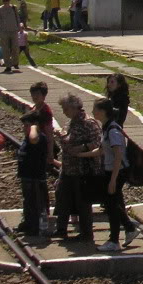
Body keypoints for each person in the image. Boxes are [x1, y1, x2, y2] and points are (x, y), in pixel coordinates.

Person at [84, 98, 138, 252]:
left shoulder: (113, 130)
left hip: (117, 171)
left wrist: (113, 180)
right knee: (114, 203)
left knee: (111, 205)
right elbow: (101, 151)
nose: (93, 112)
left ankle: (115, 240)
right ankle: (129, 229)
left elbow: (118, 156)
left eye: (95, 109)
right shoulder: (106, 128)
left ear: (102, 111)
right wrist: (80, 154)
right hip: (110, 170)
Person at [54, 94, 101, 242]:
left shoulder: (88, 123)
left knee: (83, 203)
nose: (64, 112)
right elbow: (68, 140)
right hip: (68, 168)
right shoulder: (71, 123)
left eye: (66, 108)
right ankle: (61, 229)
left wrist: (82, 148)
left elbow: (98, 142)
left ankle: (86, 233)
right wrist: (61, 136)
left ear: (75, 107)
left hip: (82, 170)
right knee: (63, 198)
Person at [30, 81, 57, 234]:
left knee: (41, 181)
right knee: (37, 181)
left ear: (44, 95)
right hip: (35, 150)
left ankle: (44, 210)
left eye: (37, 94)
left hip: (42, 149)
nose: (34, 97)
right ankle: (39, 208)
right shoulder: (35, 108)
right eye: (33, 94)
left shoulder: (45, 111)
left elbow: (49, 133)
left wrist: (50, 153)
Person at [15, 111, 47, 237]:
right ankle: (28, 224)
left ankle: (35, 227)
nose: (24, 128)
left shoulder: (38, 137)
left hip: (35, 178)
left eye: (27, 125)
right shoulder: (27, 138)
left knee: (35, 204)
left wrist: (33, 127)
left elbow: (33, 139)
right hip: (27, 177)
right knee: (28, 202)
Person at [0, 0, 20, 73]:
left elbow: (17, 18)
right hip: (4, 32)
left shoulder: (13, 8)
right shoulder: (0, 9)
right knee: (5, 49)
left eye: (6, 0)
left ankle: (15, 62)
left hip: (14, 30)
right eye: (4, 1)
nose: (5, 2)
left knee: (15, 48)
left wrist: (19, 27)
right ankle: (8, 65)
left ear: (9, 0)